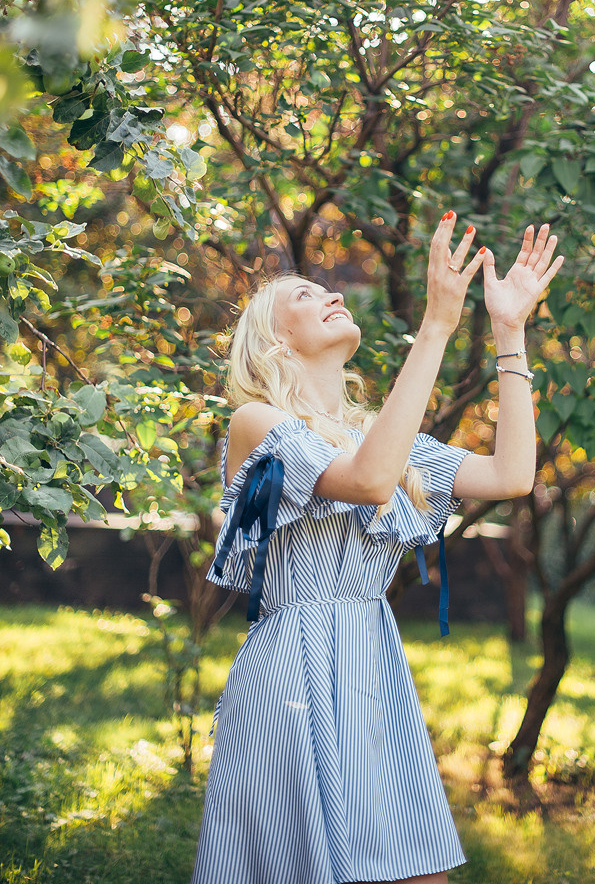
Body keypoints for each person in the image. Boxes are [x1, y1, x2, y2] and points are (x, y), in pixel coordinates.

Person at [191, 212, 564, 884]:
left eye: (323, 289)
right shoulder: (256, 423)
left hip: (370, 665)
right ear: (275, 341)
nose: (330, 294)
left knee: (415, 870)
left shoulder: (380, 438)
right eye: (302, 296)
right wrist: (436, 326)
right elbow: (366, 483)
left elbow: (511, 476)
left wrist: (509, 331)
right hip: (291, 670)